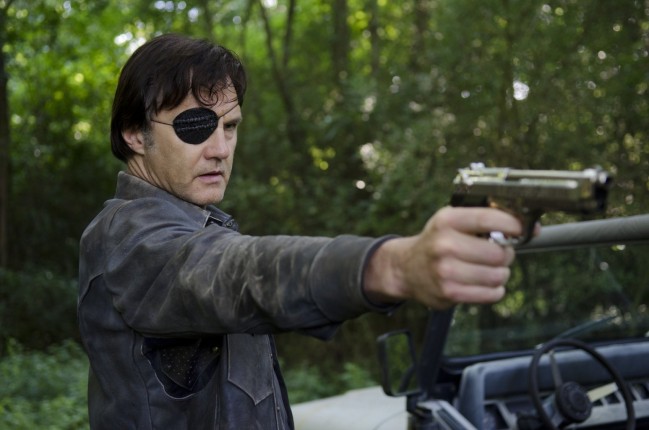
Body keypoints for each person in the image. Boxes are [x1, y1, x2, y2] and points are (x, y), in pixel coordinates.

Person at [78, 33, 524, 430]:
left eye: (230, 127)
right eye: (195, 127)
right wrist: (394, 266)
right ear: (134, 133)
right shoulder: (127, 240)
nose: (220, 149)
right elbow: (236, 273)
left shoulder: (199, 223)